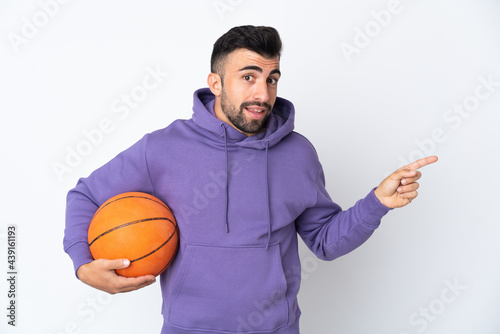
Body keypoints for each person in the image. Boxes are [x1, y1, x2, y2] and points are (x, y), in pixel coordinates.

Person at [63, 25, 437, 334]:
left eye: (271, 78)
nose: (263, 93)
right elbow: (85, 195)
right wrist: (83, 264)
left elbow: (325, 242)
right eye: (248, 77)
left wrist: (378, 203)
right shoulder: (161, 149)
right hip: (187, 328)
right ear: (216, 82)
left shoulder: (298, 154)